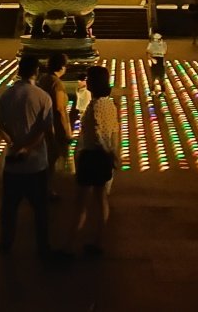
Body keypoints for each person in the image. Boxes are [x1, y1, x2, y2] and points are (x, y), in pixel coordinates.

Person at [0, 54, 55, 258]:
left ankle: (6, 244)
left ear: (19, 71)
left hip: (12, 165)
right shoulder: (43, 97)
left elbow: (0, 125)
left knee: (9, 209)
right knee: (40, 210)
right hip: (36, 165)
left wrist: (13, 143)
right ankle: (43, 247)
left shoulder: (6, 95)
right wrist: (28, 147)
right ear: (36, 72)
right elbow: (45, 129)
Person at [71, 65, 123, 256]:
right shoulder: (110, 104)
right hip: (103, 157)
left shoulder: (94, 106)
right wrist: (114, 153)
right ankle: (98, 240)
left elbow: (97, 133)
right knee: (101, 199)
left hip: (92, 155)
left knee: (81, 201)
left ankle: (70, 244)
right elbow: (115, 129)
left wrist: (107, 151)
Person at [37, 52, 72, 201]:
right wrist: (65, 131)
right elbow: (59, 109)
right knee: (51, 158)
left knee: (44, 157)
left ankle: (40, 187)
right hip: (53, 126)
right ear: (62, 67)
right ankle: (44, 190)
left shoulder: (43, 79)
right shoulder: (57, 83)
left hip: (41, 123)